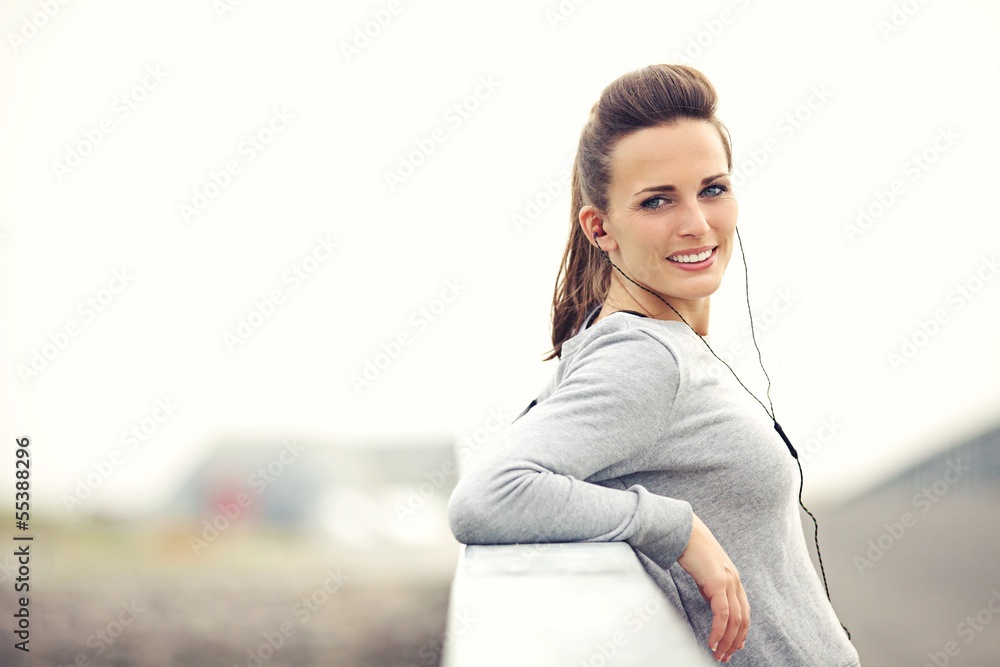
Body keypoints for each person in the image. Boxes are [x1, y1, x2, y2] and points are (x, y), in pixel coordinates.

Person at [447, 64, 860, 666]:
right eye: (657, 200)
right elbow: (488, 497)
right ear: (600, 227)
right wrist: (676, 526)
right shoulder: (645, 359)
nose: (696, 223)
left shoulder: (624, 337)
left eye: (712, 189)